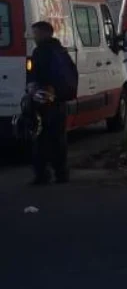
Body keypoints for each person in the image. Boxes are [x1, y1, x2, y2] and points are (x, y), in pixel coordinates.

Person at [26, 21, 77, 185]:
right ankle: (61, 173)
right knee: (59, 139)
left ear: (44, 33)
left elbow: (34, 77)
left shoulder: (40, 52)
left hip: (43, 102)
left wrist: (32, 93)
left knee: (41, 139)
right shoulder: (60, 51)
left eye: (36, 33)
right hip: (59, 101)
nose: (34, 37)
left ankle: (42, 175)